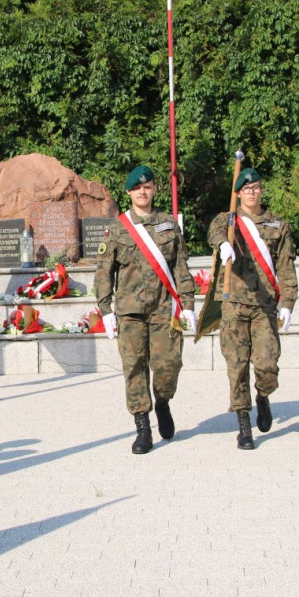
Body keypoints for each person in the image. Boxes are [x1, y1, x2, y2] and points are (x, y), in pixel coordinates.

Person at [94, 166, 196, 454]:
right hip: (130, 311)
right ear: (128, 192)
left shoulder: (168, 224)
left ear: (154, 189)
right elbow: (104, 272)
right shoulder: (117, 229)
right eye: (137, 188)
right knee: (134, 368)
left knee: (168, 365)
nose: (143, 191)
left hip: (164, 309)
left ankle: (162, 402)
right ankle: (142, 426)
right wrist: (106, 309)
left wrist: (188, 304)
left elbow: (180, 266)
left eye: (148, 186)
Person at [207, 167, 297, 450]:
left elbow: (286, 265)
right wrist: (223, 244)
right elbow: (214, 231)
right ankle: (244, 423)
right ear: (238, 193)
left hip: (264, 305)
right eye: (247, 189)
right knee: (237, 365)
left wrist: (289, 302)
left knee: (268, 363)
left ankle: (263, 395)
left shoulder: (276, 224)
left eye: (256, 187)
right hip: (234, 303)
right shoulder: (228, 220)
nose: (252, 192)